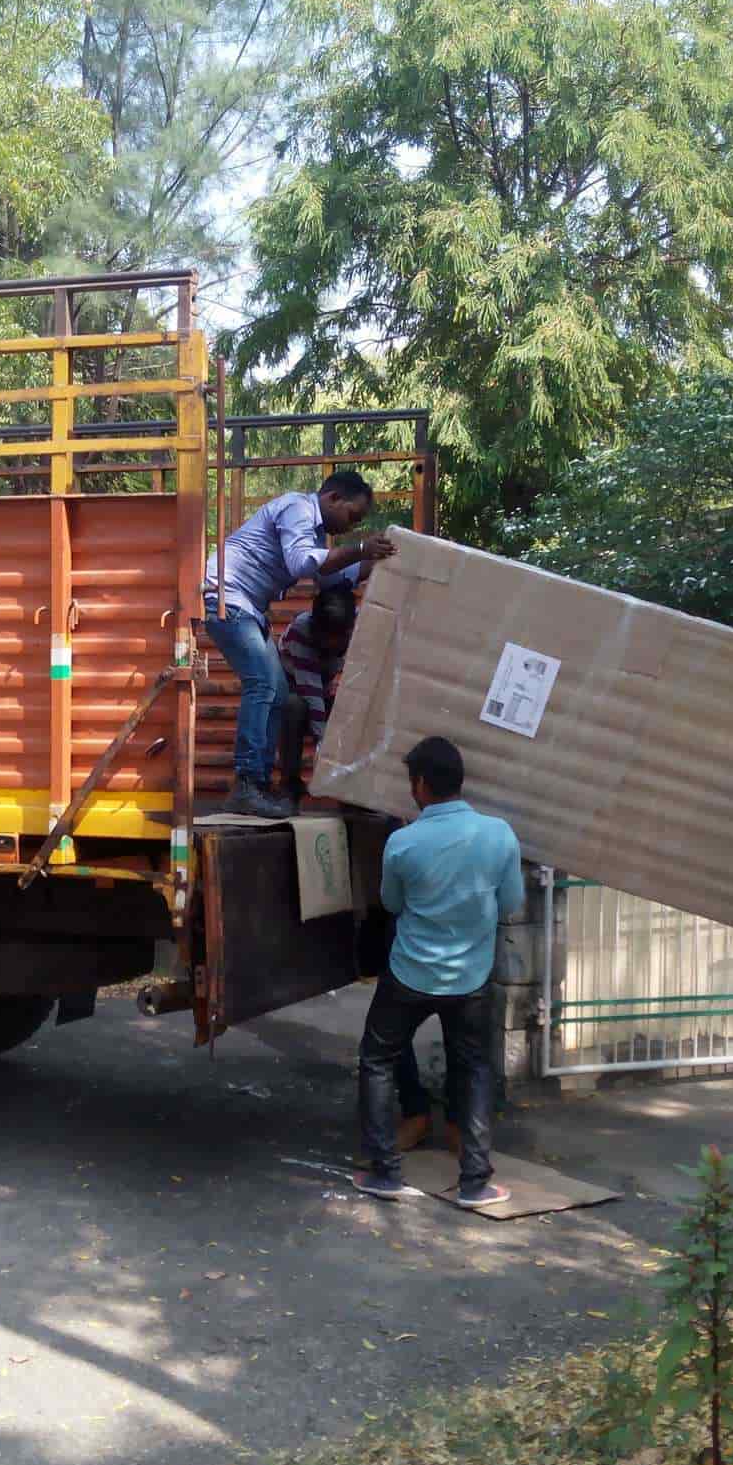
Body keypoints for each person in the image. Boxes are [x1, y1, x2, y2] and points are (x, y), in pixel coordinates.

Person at [354, 736, 522, 1207]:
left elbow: (390, 903)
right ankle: (475, 1182)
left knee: (376, 1058)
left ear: (421, 784)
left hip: (410, 974)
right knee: (472, 1068)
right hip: (471, 978)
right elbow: (511, 903)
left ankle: (385, 1173)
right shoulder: (499, 835)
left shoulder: (403, 843)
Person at [202, 470, 395, 819]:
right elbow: (302, 562)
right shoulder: (298, 509)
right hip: (226, 597)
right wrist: (362, 548)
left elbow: (333, 575)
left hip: (245, 606)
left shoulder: (315, 532)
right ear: (333, 498)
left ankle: (256, 784)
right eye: (352, 516)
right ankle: (248, 784)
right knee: (263, 685)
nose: (351, 527)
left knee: (277, 691)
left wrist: (382, 559)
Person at [276, 582, 357, 805]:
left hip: (322, 690)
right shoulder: (300, 632)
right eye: (327, 637)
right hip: (297, 691)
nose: (332, 644)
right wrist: (323, 744)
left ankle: (351, 791)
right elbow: (310, 691)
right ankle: (290, 783)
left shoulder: (358, 626)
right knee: (294, 706)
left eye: (338, 638)